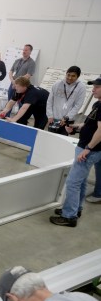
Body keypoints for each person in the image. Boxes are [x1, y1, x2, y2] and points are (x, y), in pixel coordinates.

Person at [49, 77, 101, 227]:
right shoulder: (98, 104)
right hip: (86, 147)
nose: (94, 89)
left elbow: (100, 131)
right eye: (94, 86)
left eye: (97, 87)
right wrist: (75, 127)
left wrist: (88, 148)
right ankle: (76, 208)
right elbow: (88, 124)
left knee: (72, 183)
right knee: (81, 181)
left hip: (89, 150)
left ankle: (69, 216)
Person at [46, 66, 86, 135]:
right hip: (53, 118)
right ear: (66, 74)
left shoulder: (81, 88)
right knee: (50, 138)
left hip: (68, 121)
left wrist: (67, 118)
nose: (70, 78)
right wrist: (50, 115)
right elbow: (50, 101)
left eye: (73, 76)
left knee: (62, 141)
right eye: (68, 75)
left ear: (78, 77)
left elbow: (78, 105)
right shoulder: (57, 84)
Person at [6, 44, 36, 113]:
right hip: (13, 84)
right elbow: (11, 71)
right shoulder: (17, 60)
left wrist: (17, 82)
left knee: (21, 103)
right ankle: (6, 116)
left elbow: (28, 75)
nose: (24, 51)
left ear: (30, 52)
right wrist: (13, 81)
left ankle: (19, 119)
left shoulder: (32, 63)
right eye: (23, 49)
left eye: (26, 50)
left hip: (22, 86)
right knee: (10, 101)